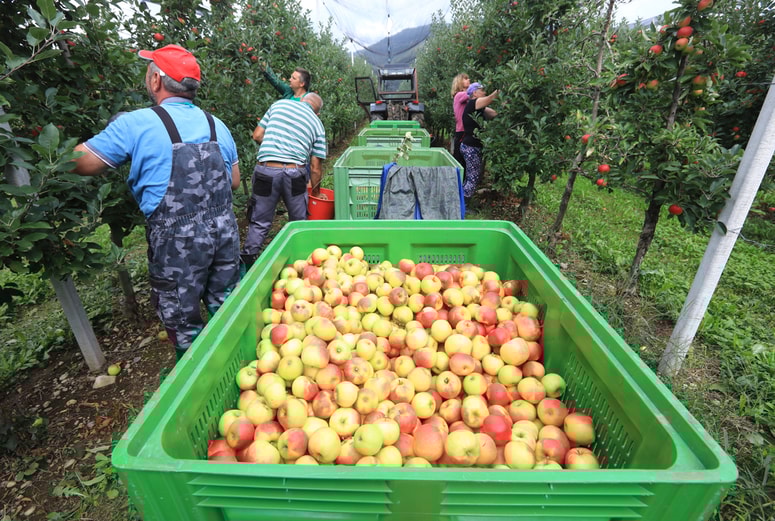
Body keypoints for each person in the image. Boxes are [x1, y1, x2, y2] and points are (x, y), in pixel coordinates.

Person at [72, 44, 241, 362]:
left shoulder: (134, 124)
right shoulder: (219, 126)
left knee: (183, 322)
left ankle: (196, 381)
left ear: (155, 80)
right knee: (228, 305)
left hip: (177, 247)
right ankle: (239, 362)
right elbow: (233, 183)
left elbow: (82, 163)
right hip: (224, 235)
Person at [240, 93, 326, 269]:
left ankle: (246, 266)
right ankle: (298, 264)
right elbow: (316, 167)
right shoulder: (317, 124)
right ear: (317, 113)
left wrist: (276, 145)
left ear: (302, 100)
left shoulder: (279, 105)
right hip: (294, 173)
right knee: (298, 221)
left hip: (266, 170)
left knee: (260, 222)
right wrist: (316, 193)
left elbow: (257, 135)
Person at [460, 82, 498, 207]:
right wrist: (500, 89)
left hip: (471, 147)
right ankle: (463, 206)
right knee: (473, 177)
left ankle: (461, 202)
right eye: (482, 90)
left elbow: (494, 113)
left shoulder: (478, 107)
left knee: (471, 176)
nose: (484, 92)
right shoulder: (473, 103)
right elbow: (490, 98)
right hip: (471, 148)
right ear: (474, 93)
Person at [450, 73, 471, 169]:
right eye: (465, 79)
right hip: (462, 131)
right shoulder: (459, 95)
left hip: (466, 131)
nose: (469, 80)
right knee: (459, 159)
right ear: (459, 82)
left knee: (464, 159)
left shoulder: (466, 97)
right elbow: (472, 93)